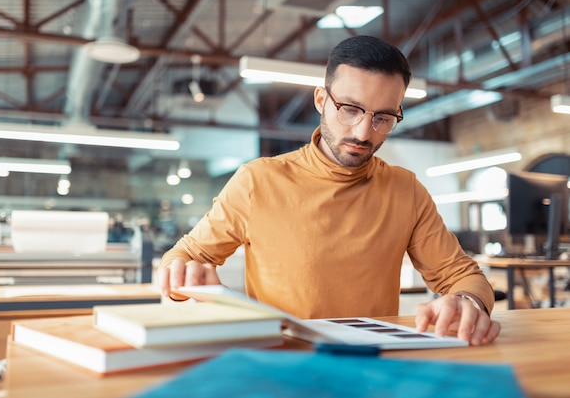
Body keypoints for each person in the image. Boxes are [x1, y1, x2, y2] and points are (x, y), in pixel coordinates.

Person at [157, 35, 501, 346]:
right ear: (321, 99)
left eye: (383, 118)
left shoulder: (405, 189)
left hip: (371, 364)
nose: (364, 133)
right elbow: (183, 255)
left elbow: (464, 276)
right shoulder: (257, 181)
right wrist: (184, 276)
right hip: (282, 362)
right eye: (350, 110)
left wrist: (466, 302)